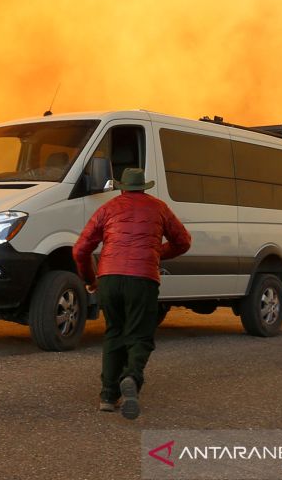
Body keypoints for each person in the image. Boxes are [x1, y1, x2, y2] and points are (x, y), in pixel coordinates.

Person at [73, 167, 191, 419]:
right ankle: (131, 377)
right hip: (142, 279)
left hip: (109, 278)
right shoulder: (159, 208)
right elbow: (183, 241)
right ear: (144, 187)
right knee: (140, 335)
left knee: (114, 332)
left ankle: (107, 395)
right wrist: (158, 252)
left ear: (122, 187)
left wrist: (90, 279)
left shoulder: (108, 208)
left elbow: (80, 249)